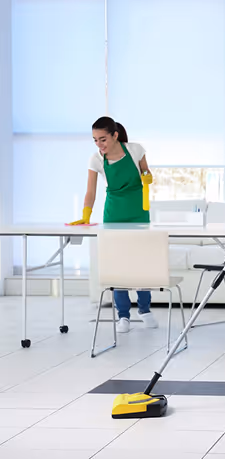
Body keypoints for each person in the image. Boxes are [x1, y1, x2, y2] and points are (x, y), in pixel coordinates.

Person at [69, 116, 157, 333]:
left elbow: (146, 173)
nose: (100, 145)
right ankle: (123, 316)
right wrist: (86, 214)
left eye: (103, 139)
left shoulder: (135, 150)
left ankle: (145, 309)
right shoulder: (96, 160)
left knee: (141, 263)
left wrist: (147, 177)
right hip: (114, 214)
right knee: (118, 265)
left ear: (115, 135)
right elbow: (91, 190)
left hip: (139, 213)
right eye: (95, 140)